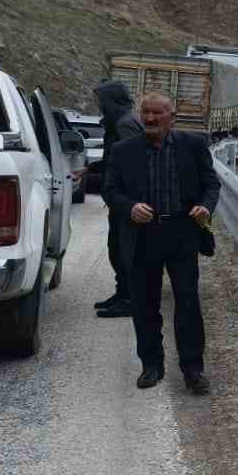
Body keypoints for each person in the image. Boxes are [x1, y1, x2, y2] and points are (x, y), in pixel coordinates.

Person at [103, 92, 220, 394]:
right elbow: (110, 190)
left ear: (172, 117)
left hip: (182, 232)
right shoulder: (123, 150)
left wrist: (206, 207)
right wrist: (129, 207)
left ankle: (193, 370)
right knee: (145, 305)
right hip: (142, 236)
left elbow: (211, 184)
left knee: (187, 302)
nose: (150, 118)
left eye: (157, 113)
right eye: (146, 112)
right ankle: (151, 365)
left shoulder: (193, 145)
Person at [92, 80, 145, 319]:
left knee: (125, 251)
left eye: (101, 100)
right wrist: (93, 169)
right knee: (116, 248)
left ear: (111, 100)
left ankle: (132, 299)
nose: (99, 105)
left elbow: (132, 162)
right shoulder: (118, 122)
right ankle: (122, 293)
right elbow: (113, 158)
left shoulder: (125, 124)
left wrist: (127, 200)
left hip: (127, 200)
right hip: (120, 199)